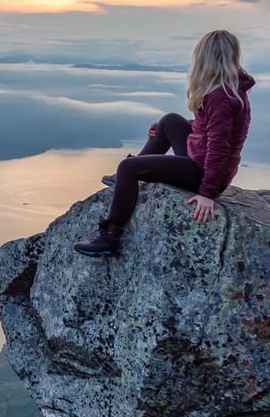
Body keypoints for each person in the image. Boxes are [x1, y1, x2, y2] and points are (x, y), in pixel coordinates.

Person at [73, 29, 255, 257]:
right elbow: (211, 127)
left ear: (204, 58)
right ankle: (126, 180)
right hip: (199, 158)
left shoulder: (221, 97)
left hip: (203, 172)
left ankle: (110, 237)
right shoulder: (228, 89)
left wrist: (207, 193)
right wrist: (161, 130)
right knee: (169, 121)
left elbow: (220, 147)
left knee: (127, 167)